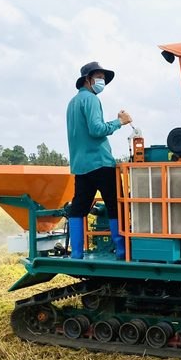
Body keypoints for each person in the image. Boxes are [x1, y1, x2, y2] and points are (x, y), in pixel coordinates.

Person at [66, 61, 132, 259]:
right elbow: (96, 130)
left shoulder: (72, 103)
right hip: (101, 163)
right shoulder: (92, 100)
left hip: (81, 165)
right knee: (115, 204)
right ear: (88, 79)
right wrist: (119, 122)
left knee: (79, 207)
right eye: (99, 77)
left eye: (104, 78)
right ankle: (121, 250)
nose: (102, 81)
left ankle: (76, 253)